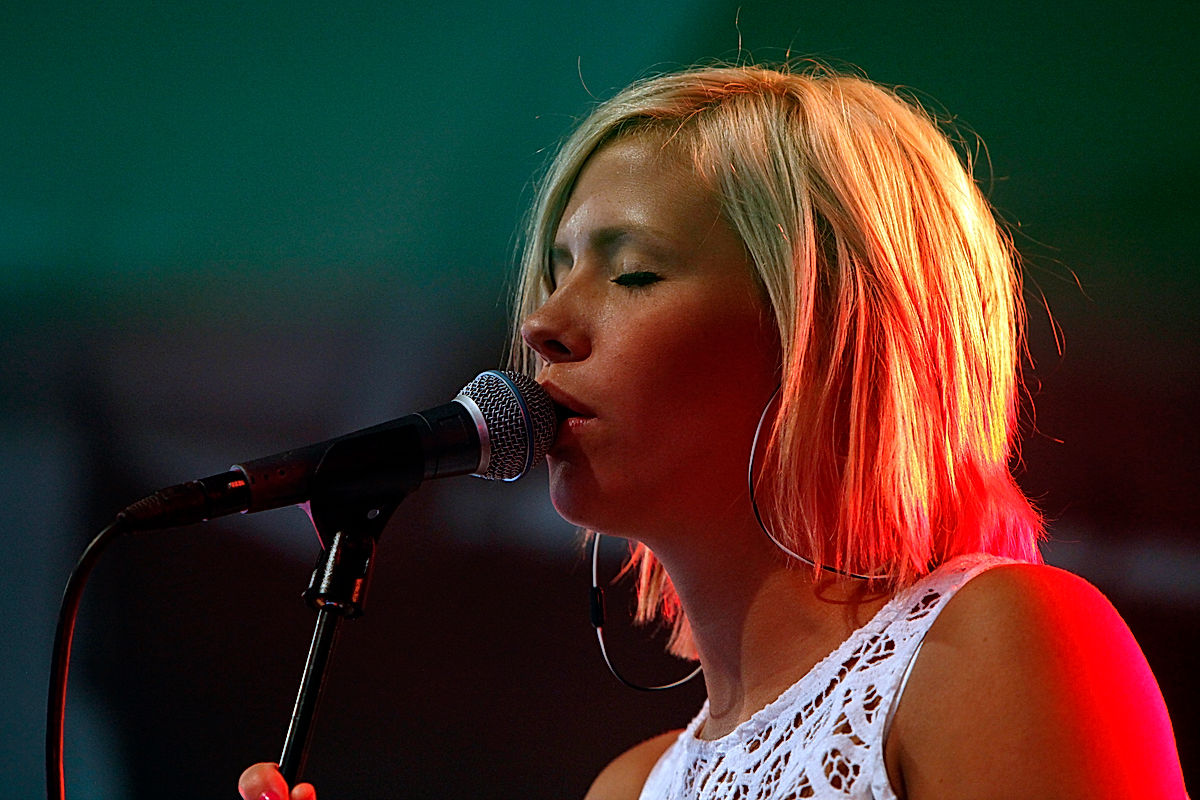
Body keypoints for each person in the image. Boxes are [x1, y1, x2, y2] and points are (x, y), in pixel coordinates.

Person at [239, 63, 1188, 799]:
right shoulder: (628, 787)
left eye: (634, 273)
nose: (542, 324)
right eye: (557, 270)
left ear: (830, 337)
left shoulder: (997, 646)